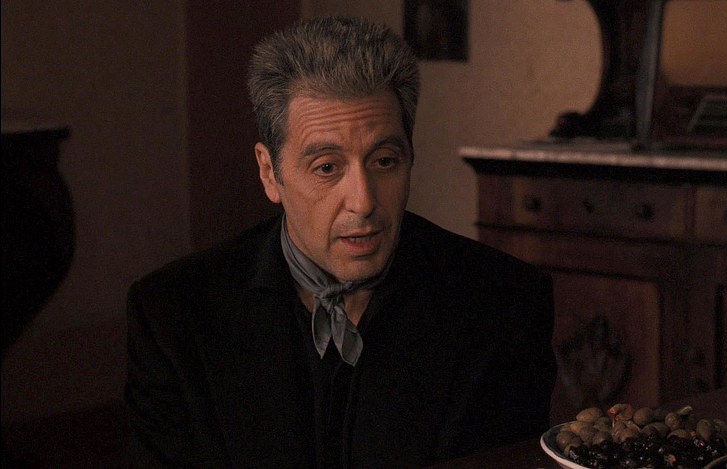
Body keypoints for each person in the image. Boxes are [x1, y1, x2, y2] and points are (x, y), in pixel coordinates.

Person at [125, 16, 556, 468]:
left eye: (384, 161)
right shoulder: (173, 315)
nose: (364, 202)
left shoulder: (504, 304)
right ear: (270, 172)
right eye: (327, 168)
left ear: (410, 158)